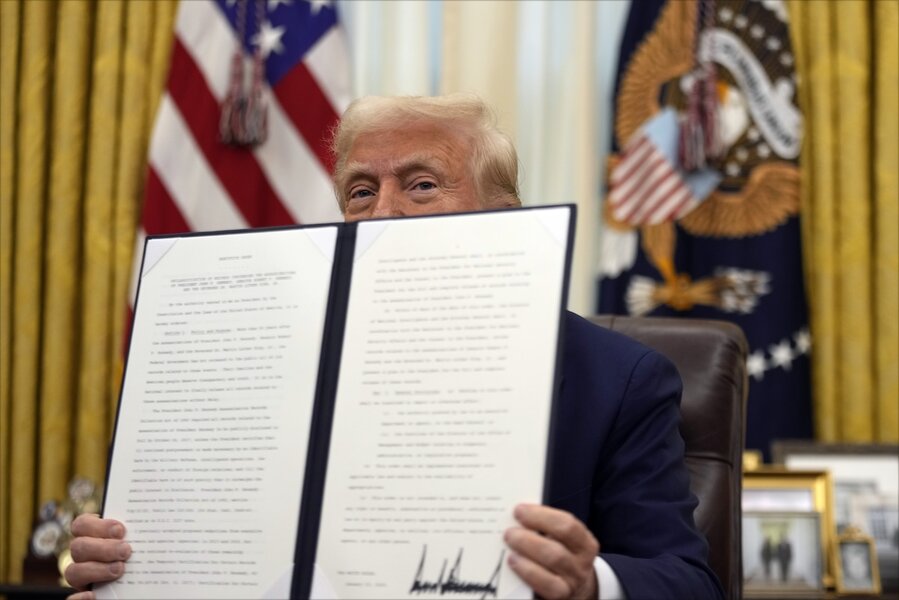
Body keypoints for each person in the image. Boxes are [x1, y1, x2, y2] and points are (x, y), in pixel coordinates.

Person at [65, 94, 723, 600]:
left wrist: (588, 583)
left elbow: (685, 580)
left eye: (420, 185)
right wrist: (128, 564)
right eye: (360, 191)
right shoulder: (265, 361)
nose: (382, 214)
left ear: (503, 214)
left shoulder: (616, 377)